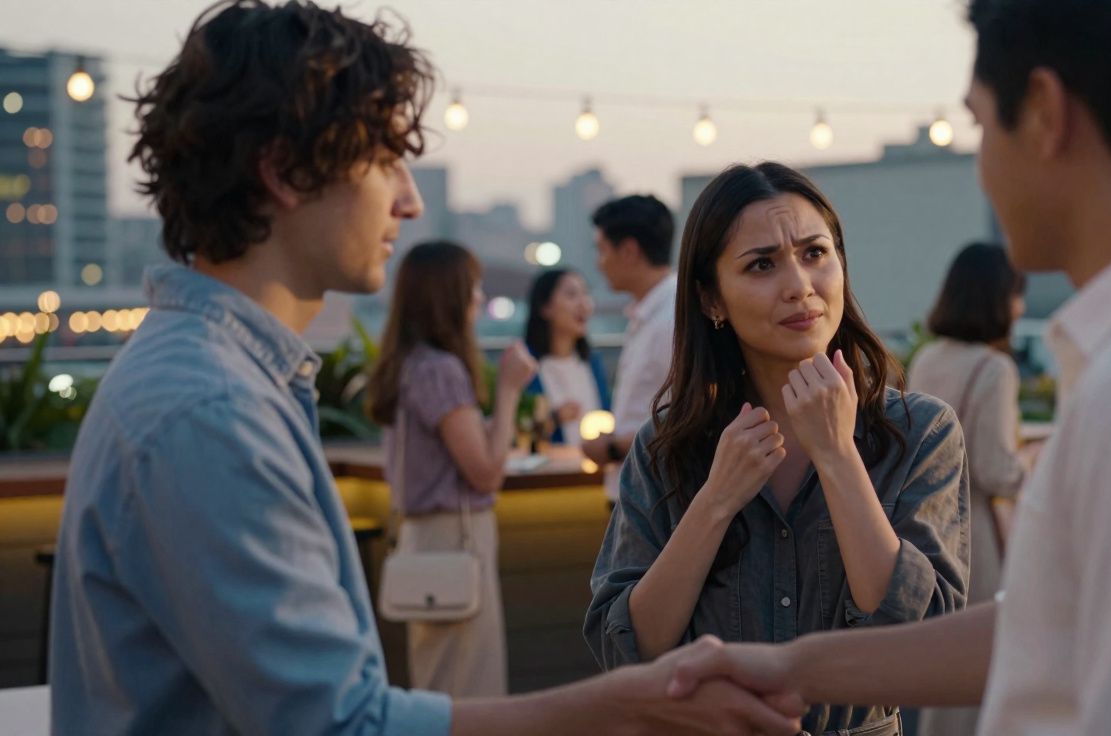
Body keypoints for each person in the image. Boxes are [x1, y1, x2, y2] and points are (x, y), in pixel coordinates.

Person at [47, 2, 804, 734]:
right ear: (284, 172)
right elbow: (341, 726)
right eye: (386, 161)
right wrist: (635, 707)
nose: (408, 201)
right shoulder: (211, 410)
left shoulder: (214, 378)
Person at [664, 1, 1111, 734]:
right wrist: (790, 669)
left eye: (978, 125)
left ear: (1042, 112)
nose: (982, 166)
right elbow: (1054, 629)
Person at [586, 162, 970, 735]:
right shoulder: (668, 446)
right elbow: (628, 649)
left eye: (815, 253)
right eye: (761, 264)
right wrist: (715, 501)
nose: (799, 285)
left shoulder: (919, 432)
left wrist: (838, 456)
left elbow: (925, 643)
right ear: (711, 300)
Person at [365, 240, 536, 697]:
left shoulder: (410, 364)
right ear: (449, 296)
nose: (479, 298)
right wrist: (509, 391)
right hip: (455, 536)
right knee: (468, 684)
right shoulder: (440, 370)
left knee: (439, 677)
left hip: (423, 537)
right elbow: (486, 473)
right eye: (472, 287)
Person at [907, 242, 1033, 736]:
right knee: (979, 666)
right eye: (1016, 295)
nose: (1020, 307)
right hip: (976, 530)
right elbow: (995, 469)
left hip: (927, 521)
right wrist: (1035, 463)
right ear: (997, 297)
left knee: (943, 661)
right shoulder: (994, 368)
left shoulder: (929, 357)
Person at [579, 195, 676, 505]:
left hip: (656, 499)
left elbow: (691, 415)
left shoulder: (671, 318)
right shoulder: (650, 312)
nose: (599, 262)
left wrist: (612, 448)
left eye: (602, 250)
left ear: (630, 251)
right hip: (640, 491)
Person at [522, 268, 610, 446]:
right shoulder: (525, 365)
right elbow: (518, 429)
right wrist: (554, 419)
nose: (584, 304)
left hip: (594, 462)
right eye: (571, 295)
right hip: (549, 462)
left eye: (585, 294)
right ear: (545, 307)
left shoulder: (592, 362)